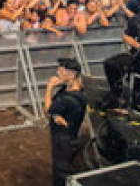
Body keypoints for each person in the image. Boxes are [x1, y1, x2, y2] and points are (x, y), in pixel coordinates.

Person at [44, 58, 86, 186]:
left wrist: (49, 87)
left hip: (63, 142)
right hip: (68, 138)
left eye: (61, 71)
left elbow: (47, 110)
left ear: (72, 74)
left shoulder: (68, 99)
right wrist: (56, 114)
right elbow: (53, 110)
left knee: (61, 176)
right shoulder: (70, 89)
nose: (57, 73)